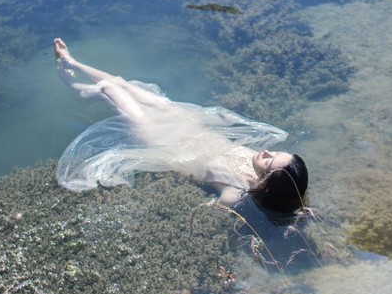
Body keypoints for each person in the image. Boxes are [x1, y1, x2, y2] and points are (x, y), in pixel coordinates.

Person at [53, 38, 308, 215]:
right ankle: (72, 62)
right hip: (187, 124)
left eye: (269, 162)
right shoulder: (258, 162)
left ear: (264, 184)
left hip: (164, 141)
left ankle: (73, 85)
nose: (266, 153)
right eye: (276, 152)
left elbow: (219, 208)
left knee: (109, 89)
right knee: (123, 83)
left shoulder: (237, 192)